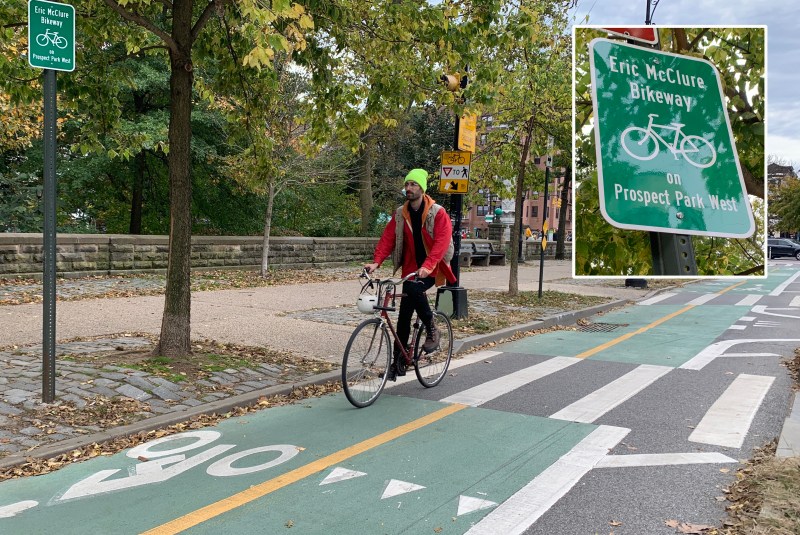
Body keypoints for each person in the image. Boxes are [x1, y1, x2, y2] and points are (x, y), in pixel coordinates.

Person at [364, 169, 456, 379]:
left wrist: (428, 265)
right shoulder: (400, 213)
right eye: (407, 184)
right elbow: (388, 238)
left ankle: (432, 328)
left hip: (432, 267)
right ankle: (398, 364)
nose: (409, 188)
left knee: (415, 290)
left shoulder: (437, 212)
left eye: (414, 184)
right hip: (411, 269)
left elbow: (441, 242)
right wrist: (376, 262)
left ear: (422, 188)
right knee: (404, 316)